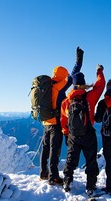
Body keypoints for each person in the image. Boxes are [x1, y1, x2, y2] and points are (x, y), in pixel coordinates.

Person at [39, 47, 84, 185]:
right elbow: (74, 73)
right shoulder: (60, 86)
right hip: (55, 122)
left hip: (45, 121)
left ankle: (43, 173)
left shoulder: (46, 87)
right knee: (55, 149)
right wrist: (79, 60)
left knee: (45, 148)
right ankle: (53, 176)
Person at [60, 63, 106, 195]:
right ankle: (90, 186)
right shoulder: (90, 97)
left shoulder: (66, 101)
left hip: (73, 135)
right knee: (91, 160)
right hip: (88, 133)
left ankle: (67, 182)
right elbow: (101, 84)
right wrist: (99, 71)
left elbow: (63, 121)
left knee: (70, 159)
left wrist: (66, 134)